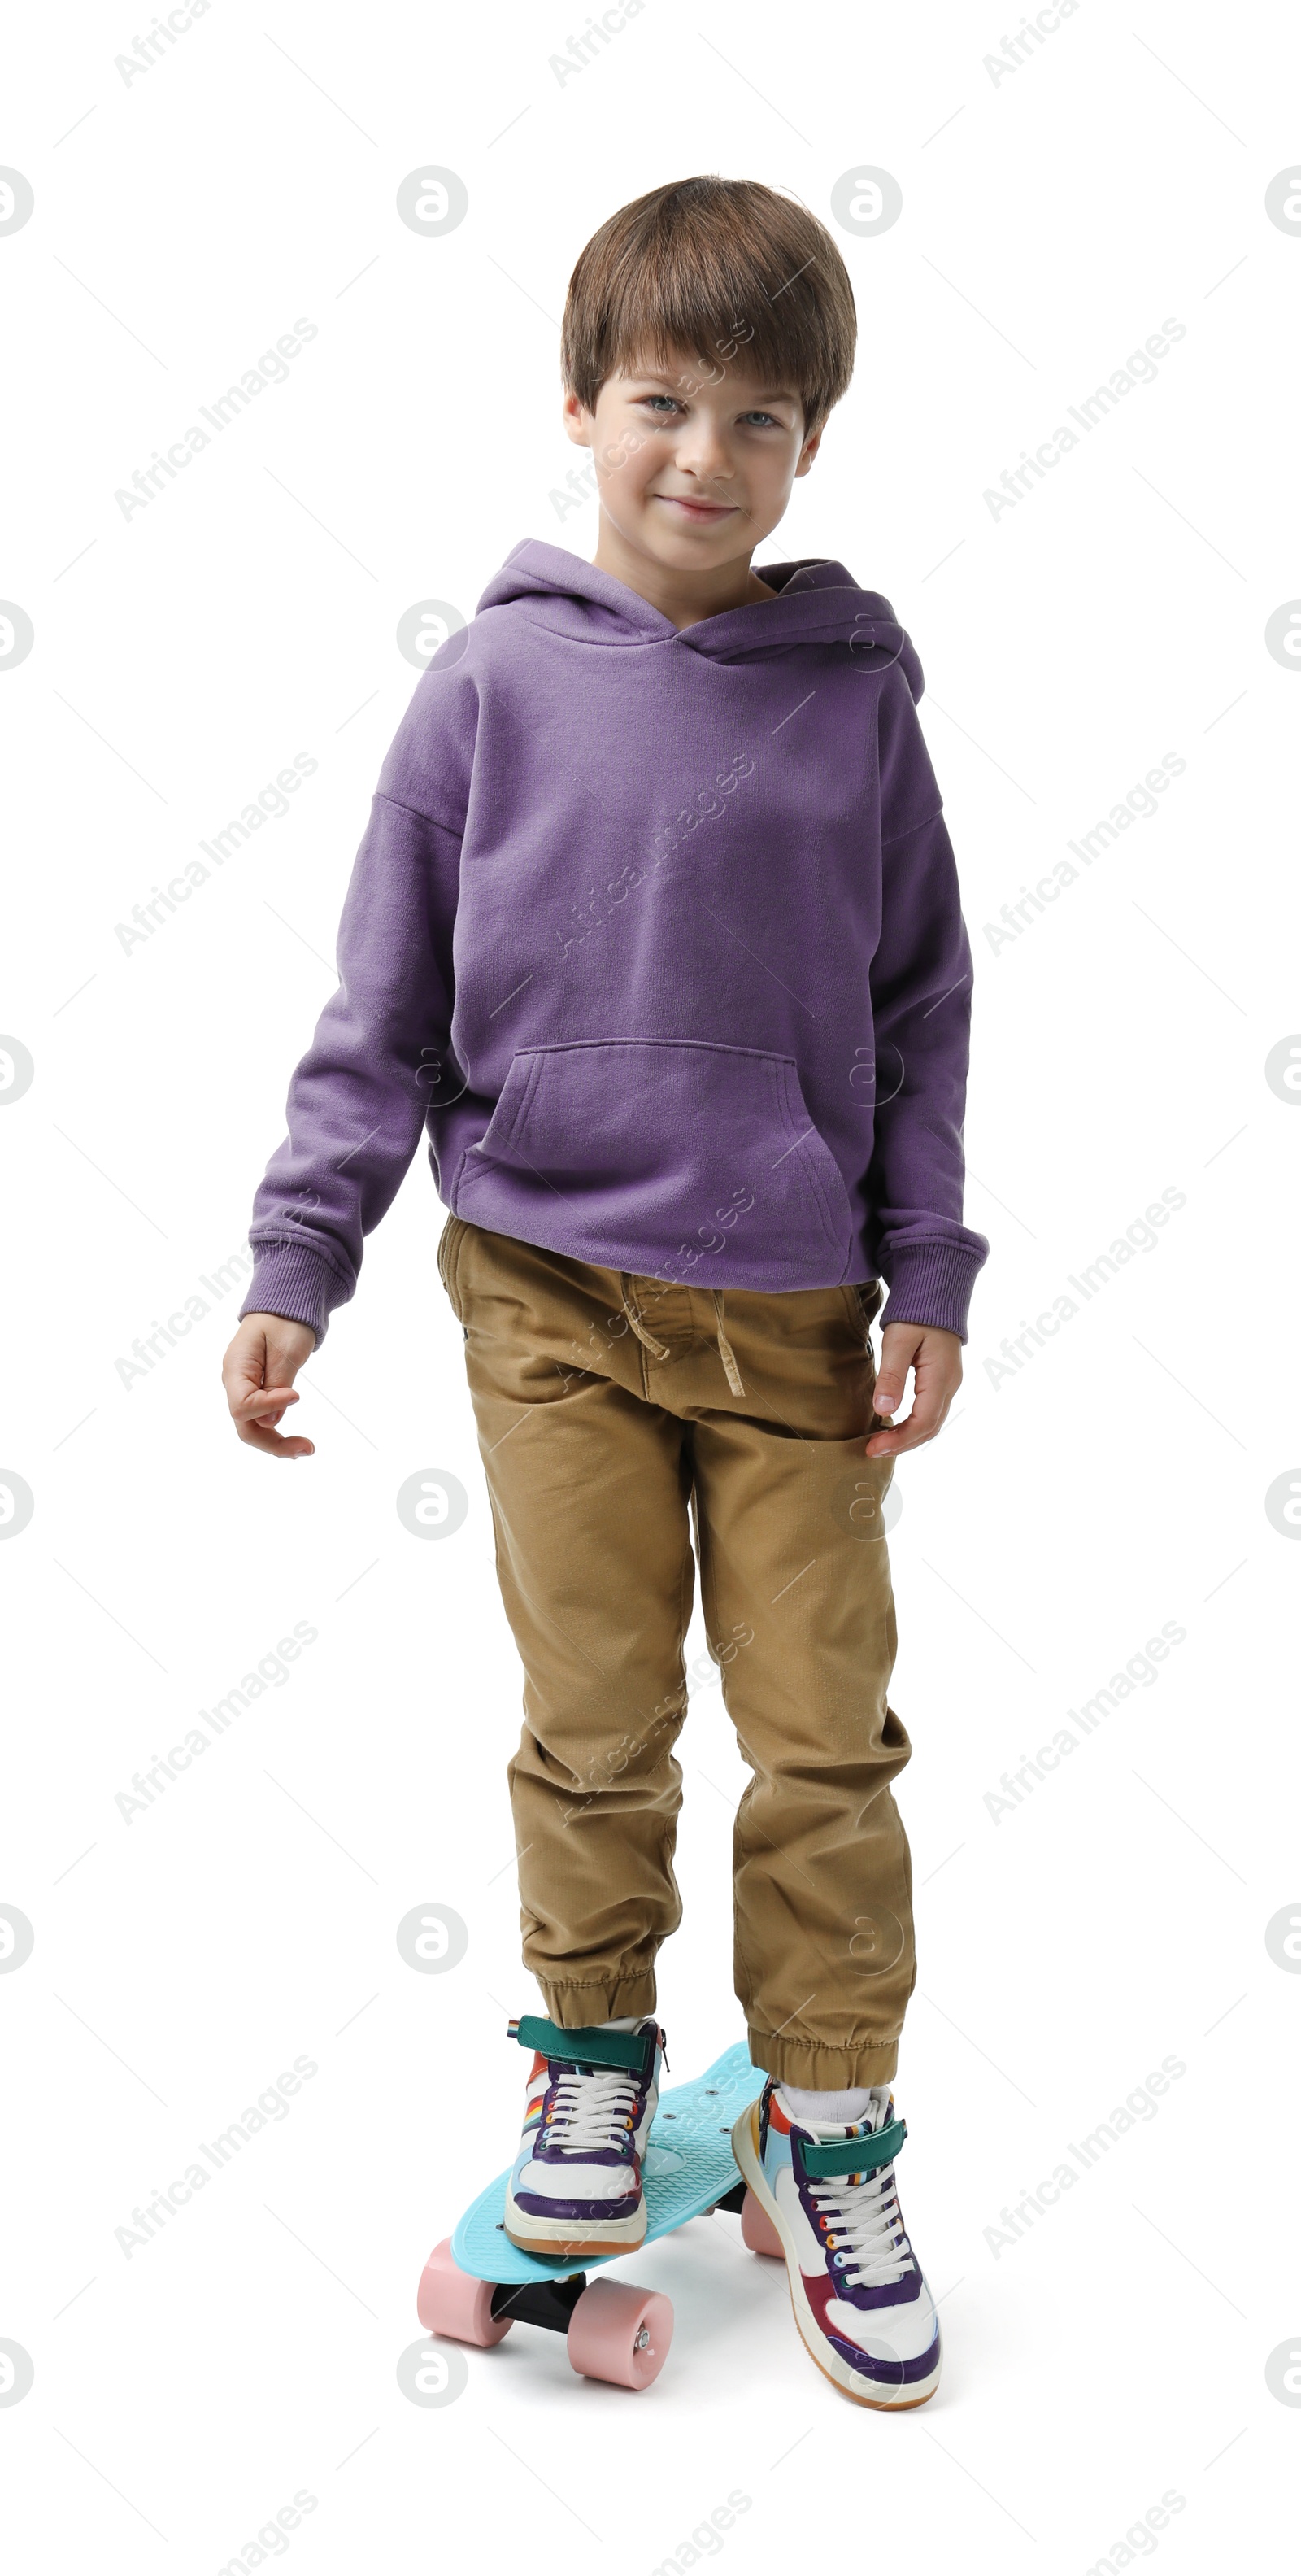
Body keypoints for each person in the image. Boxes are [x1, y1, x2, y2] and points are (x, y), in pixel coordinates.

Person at [223, 174, 988, 2408]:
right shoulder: (490, 685)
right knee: (595, 1722)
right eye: (663, 402)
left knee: (826, 1733)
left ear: (809, 450)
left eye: (763, 419)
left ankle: (828, 2119)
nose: (704, 456)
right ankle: (589, 2063)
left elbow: (925, 1001)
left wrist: (927, 1260)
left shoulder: (855, 702)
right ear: (579, 405)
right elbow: (385, 1006)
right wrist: (302, 1255)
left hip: (795, 1322)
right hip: (544, 1290)